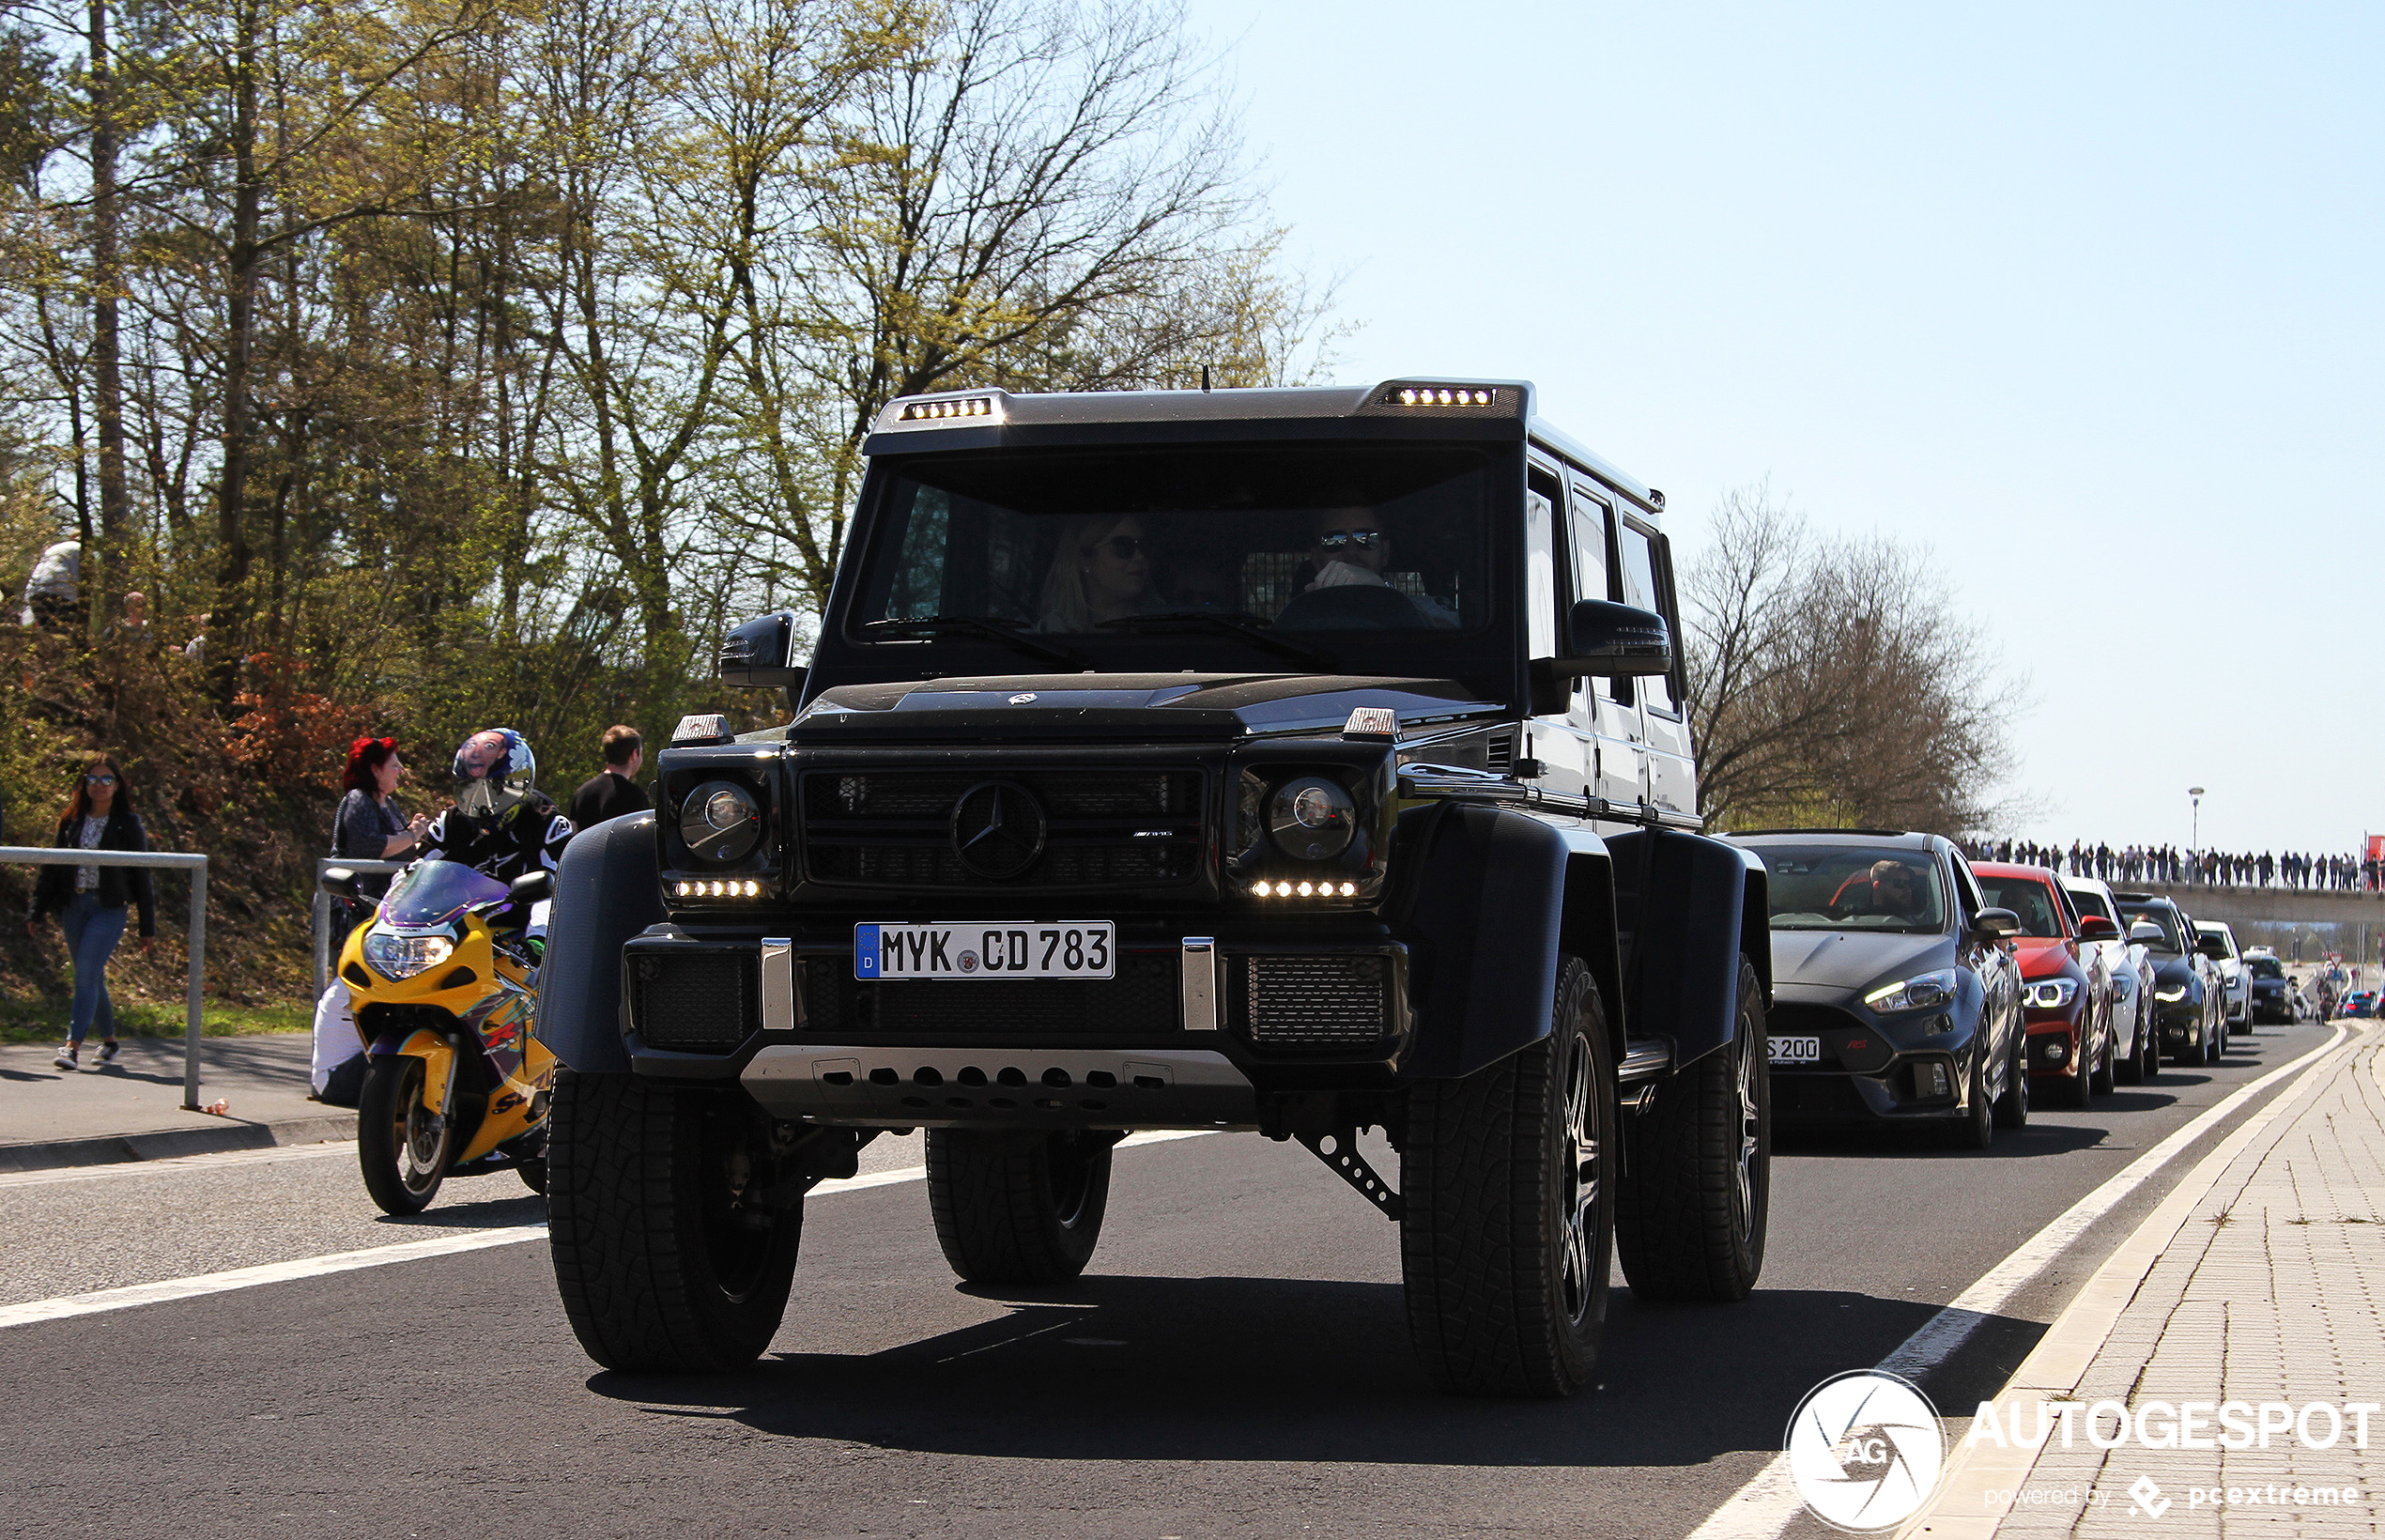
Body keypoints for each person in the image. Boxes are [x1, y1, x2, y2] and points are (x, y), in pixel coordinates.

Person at [24, 755, 156, 1070]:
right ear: (84, 784)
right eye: (93, 779)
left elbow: (142, 875)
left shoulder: (127, 823)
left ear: (117, 784)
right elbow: (52, 869)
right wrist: (36, 911)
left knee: (84, 972)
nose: (99, 786)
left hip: (108, 909)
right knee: (91, 976)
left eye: (107, 779)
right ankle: (110, 1043)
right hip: (74, 907)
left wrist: (147, 927)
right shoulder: (71, 821)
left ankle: (71, 1046)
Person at [416, 728, 573, 927]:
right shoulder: (452, 820)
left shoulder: (545, 822)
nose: (482, 802)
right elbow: (414, 870)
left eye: (493, 790)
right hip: (456, 930)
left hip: (521, 933)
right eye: (471, 789)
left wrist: (537, 939)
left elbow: (558, 887)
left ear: (518, 785)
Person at [1294, 508, 1457, 626]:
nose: (1351, 551)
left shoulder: (1427, 608)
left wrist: (1387, 598)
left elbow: (1454, 641)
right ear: (1315, 559)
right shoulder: (1297, 620)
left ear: (1385, 553)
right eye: (1334, 540)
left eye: (1365, 538)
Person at [1035, 514, 1155, 631]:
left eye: (1144, 546)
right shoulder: (1052, 632)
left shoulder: (1161, 627)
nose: (1139, 556)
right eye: (1123, 546)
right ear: (1084, 560)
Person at [568, 725, 649, 828]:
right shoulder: (634, 795)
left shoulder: (583, 792)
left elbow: (574, 834)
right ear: (634, 754)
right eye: (641, 753)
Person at [21, 539, 82, 629]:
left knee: (48, 633)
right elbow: (81, 579)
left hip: (36, 592)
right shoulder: (79, 548)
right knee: (63, 634)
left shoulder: (54, 549)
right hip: (60, 593)